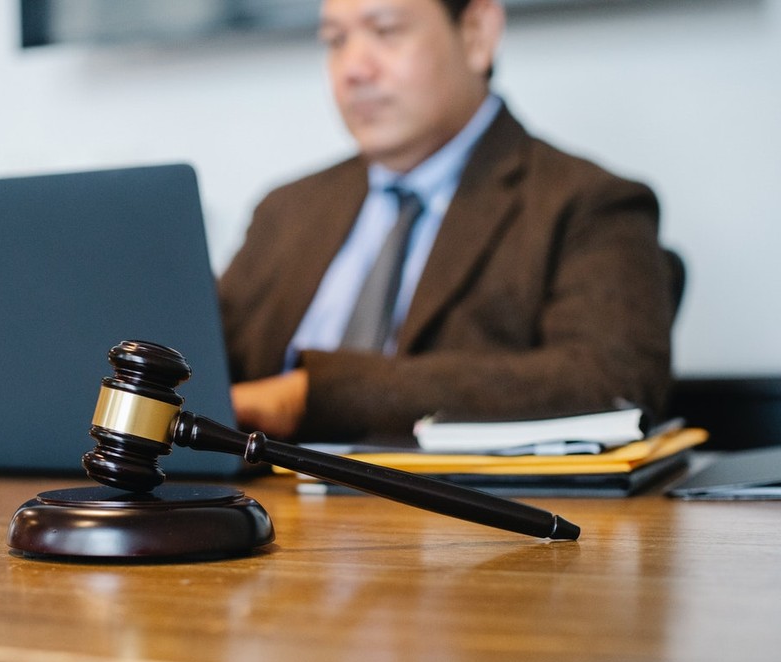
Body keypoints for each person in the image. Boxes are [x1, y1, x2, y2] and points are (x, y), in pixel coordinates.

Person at [218, 0, 675, 443]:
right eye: (335, 41)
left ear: (477, 34)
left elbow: (610, 381)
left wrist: (313, 395)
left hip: (450, 515)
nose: (353, 69)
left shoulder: (587, 203)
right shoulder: (286, 210)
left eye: (386, 31)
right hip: (252, 506)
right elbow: (197, 363)